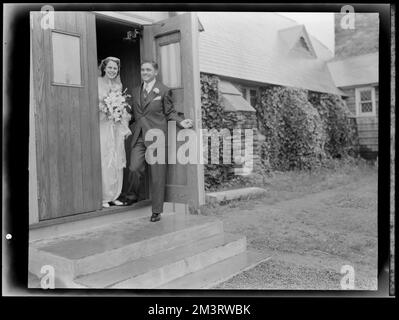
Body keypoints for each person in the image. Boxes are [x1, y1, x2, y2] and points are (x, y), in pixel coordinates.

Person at [126, 61, 193, 222]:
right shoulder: (135, 91)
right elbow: (133, 115)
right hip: (139, 136)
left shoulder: (163, 90)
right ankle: (132, 196)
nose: (145, 72)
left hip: (157, 137)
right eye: (142, 70)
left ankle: (156, 210)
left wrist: (181, 122)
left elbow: (169, 112)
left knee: (157, 175)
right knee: (134, 167)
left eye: (148, 70)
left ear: (155, 72)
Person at [98, 57, 131, 208]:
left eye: (115, 68)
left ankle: (115, 195)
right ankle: (104, 196)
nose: (112, 70)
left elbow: (122, 106)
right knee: (106, 159)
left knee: (117, 158)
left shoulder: (119, 85)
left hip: (115, 126)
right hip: (104, 126)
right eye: (110, 67)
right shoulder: (97, 83)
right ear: (104, 68)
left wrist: (120, 116)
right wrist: (106, 109)